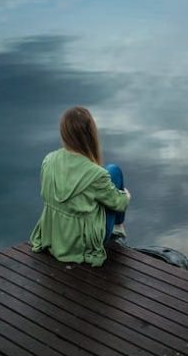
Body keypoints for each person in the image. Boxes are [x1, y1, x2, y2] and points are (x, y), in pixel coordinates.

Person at [29, 106, 131, 267]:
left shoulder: (48, 160)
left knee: (107, 175)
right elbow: (119, 203)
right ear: (91, 134)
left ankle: (115, 227)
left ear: (64, 133)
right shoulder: (96, 174)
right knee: (114, 171)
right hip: (80, 244)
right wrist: (126, 196)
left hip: (55, 236)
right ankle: (118, 228)